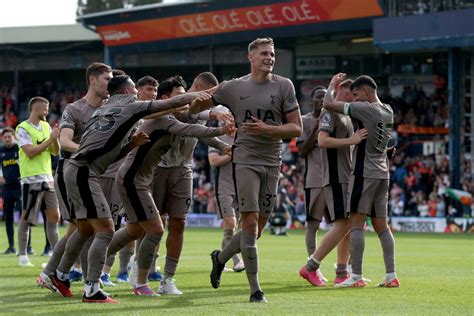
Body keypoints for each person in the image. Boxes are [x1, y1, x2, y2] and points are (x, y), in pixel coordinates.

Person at [50, 74, 213, 303]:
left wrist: (131, 145)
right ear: (127, 92)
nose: (138, 92)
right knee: (106, 229)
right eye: (135, 89)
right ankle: (91, 289)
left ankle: (59, 275)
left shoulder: (103, 109)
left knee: (85, 229)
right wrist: (198, 95)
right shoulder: (129, 106)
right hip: (85, 171)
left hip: (76, 169)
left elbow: (109, 148)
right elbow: (167, 105)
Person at [208, 37, 302, 303]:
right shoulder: (233, 87)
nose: (269, 58)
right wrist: (216, 111)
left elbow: (297, 129)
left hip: (273, 160)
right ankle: (255, 290)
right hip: (245, 159)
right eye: (264, 53)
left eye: (271, 54)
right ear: (251, 57)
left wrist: (269, 130)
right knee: (248, 223)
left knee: (257, 230)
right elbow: (197, 105)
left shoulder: (284, 85)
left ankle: (221, 258)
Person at [110, 107, 233, 296]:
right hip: (150, 172)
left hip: (177, 170)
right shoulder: (168, 115)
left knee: (170, 224)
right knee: (145, 227)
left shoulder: (194, 111)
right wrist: (219, 124)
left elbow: (199, 129)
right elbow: (197, 124)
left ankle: (162, 279)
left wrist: (221, 142)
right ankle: (127, 268)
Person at [143, 73, 233, 295]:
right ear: (201, 87)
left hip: (184, 169)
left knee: (179, 223)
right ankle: (142, 273)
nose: (215, 98)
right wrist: (213, 113)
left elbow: (200, 132)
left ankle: (168, 278)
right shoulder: (176, 105)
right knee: (152, 224)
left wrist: (223, 146)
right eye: (213, 93)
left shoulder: (202, 110)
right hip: (158, 168)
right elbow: (186, 112)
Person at [36, 62, 112, 291]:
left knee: (84, 230)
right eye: (107, 78)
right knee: (88, 229)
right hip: (72, 172)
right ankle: (85, 282)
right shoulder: (75, 109)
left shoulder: (109, 109)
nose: (110, 83)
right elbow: (65, 142)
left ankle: (53, 274)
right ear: (92, 79)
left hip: (94, 174)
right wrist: (92, 151)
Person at [323, 73, 399, 288]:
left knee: (355, 224)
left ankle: (355, 276)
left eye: (356, 94)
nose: (353, 99)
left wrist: (332, 84)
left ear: (366, 91)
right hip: (383, 173)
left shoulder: (365, 108)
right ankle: (391, 275)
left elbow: (328, 104)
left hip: (363, 172)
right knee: (382, 226)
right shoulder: (388, 110)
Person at [299, 79, 368, 286]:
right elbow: (322, 141)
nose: (354, 98)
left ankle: (342, 272)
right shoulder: (329, 113)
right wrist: (352, 140)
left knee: (348, 225)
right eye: (351, 93)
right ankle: (310, 267)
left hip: (346, 176)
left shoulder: (345, 115)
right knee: (341, 224)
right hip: (335, 177)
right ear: (342, 91)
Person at [15, 96, 60, 267]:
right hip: (30, 179)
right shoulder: (22, 128)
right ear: (35, 109)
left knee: (54, 217)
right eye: (45, 109)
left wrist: (54, 138)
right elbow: (30, 152)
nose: (47, 112)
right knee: (27, 217)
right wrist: (50, 139)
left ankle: (55, 256)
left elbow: (55, 152)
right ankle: (23, 256)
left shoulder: (47, 126)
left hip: (48, 178)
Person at [297, 86, 328, 283]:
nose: (322, 100)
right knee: (313, 224)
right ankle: (312, 264)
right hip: (315, 179)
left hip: (336, 178)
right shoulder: (305, 120)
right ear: (312, 100)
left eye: (325, 97)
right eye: (318, 97)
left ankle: (346, 268)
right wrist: (317, 129)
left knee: (343, 224)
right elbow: (301, 151)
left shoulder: (335, 119)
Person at [208, 127, 245, 272]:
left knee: (234, 228)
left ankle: (219, 258)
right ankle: (237, 261)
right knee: (231, 222)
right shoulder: (217, 138)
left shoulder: (242, 138)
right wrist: (232, 155)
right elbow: (213, 160)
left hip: (241, 188)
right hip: (224, 187)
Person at [0, 127, 24, 254]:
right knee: (8, 218)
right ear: (2, 139)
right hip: (7, 188)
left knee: (23, 218)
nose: (7, 139)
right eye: (5, 137)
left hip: (20, 187)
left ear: (14, 137)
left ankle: (26, 247)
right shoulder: (1, 151)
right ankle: (11, 247)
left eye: (9, 136)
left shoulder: (19, 149)